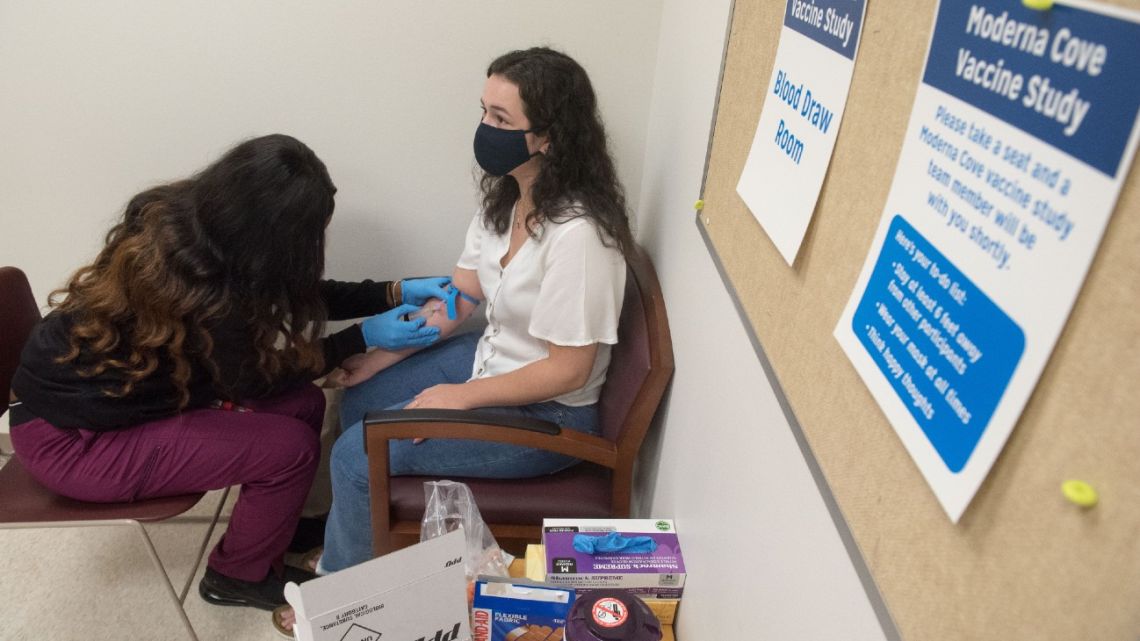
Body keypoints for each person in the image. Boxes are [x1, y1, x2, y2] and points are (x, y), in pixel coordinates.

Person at [7, 134, 451, 612]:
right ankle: (235, 576)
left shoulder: (199, 227)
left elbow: (289, 292)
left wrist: (391, 291)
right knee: (289, 451)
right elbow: (252, 378)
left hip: (126, 398)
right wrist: (361, 338)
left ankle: (273, 527)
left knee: (304, 403)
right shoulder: (199, 286)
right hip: (72, 440)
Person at [320, 46, 635, 576]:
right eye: (483, 110)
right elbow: (461, 296)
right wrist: (380, 356)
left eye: (500, 118)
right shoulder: (508, 200)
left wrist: (459, 399)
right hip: (489, 361)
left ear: (549, 137)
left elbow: (569, 368)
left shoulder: (581, 237)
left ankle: (343, 591)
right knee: (361, 402)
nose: (484, 127)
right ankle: (379, 542)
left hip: (548, 413)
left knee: (356, 456)